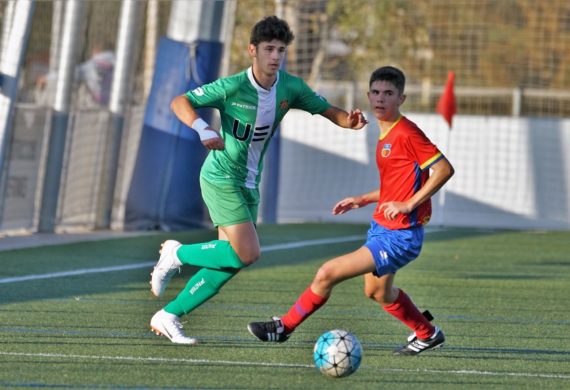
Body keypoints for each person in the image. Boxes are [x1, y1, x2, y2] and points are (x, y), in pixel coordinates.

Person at [148, 15, 368, 345]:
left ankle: (169, 315)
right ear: (253, 50)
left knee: (232, 260)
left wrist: (349, 122)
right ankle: (177, 254)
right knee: (248, 253)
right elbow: (180, 101)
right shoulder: (233, 87)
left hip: (250, 183)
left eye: (281, 50)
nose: (276, 56)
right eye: (269, 49)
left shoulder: (290, 88)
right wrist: (202, 128)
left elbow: (328, 110)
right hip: (221, 177)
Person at [247, 66, 455, 355]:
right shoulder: (386, 134)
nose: (380, 99)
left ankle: (284, 327)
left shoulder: (407, 133)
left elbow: (444, 169)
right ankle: (427, 333)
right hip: (383, 228)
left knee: (326, 273)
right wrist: (363, 199)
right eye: (376, 92)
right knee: (377, 292)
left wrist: (408, 205)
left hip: (400, 235)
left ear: (401, 99)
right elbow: (399, 185)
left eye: (388, 93)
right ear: (368, 95)